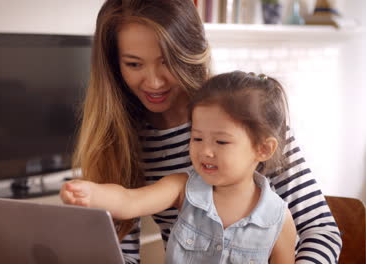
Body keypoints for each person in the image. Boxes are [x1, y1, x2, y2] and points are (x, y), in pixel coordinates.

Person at [67, 0, 341, 263]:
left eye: (166, 61)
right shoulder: (124, 139)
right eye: (134, 64)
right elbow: (121, 247)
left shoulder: (245, 118)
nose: (153, 81)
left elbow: (321, 231)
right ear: (115, 66)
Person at [62, 71, 298, 263]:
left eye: (221, 141)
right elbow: (129, 201)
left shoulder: (278, 219)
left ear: (263, 149)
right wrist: (92, 193)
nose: (205, 150)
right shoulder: (181, 187)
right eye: (197, 138)